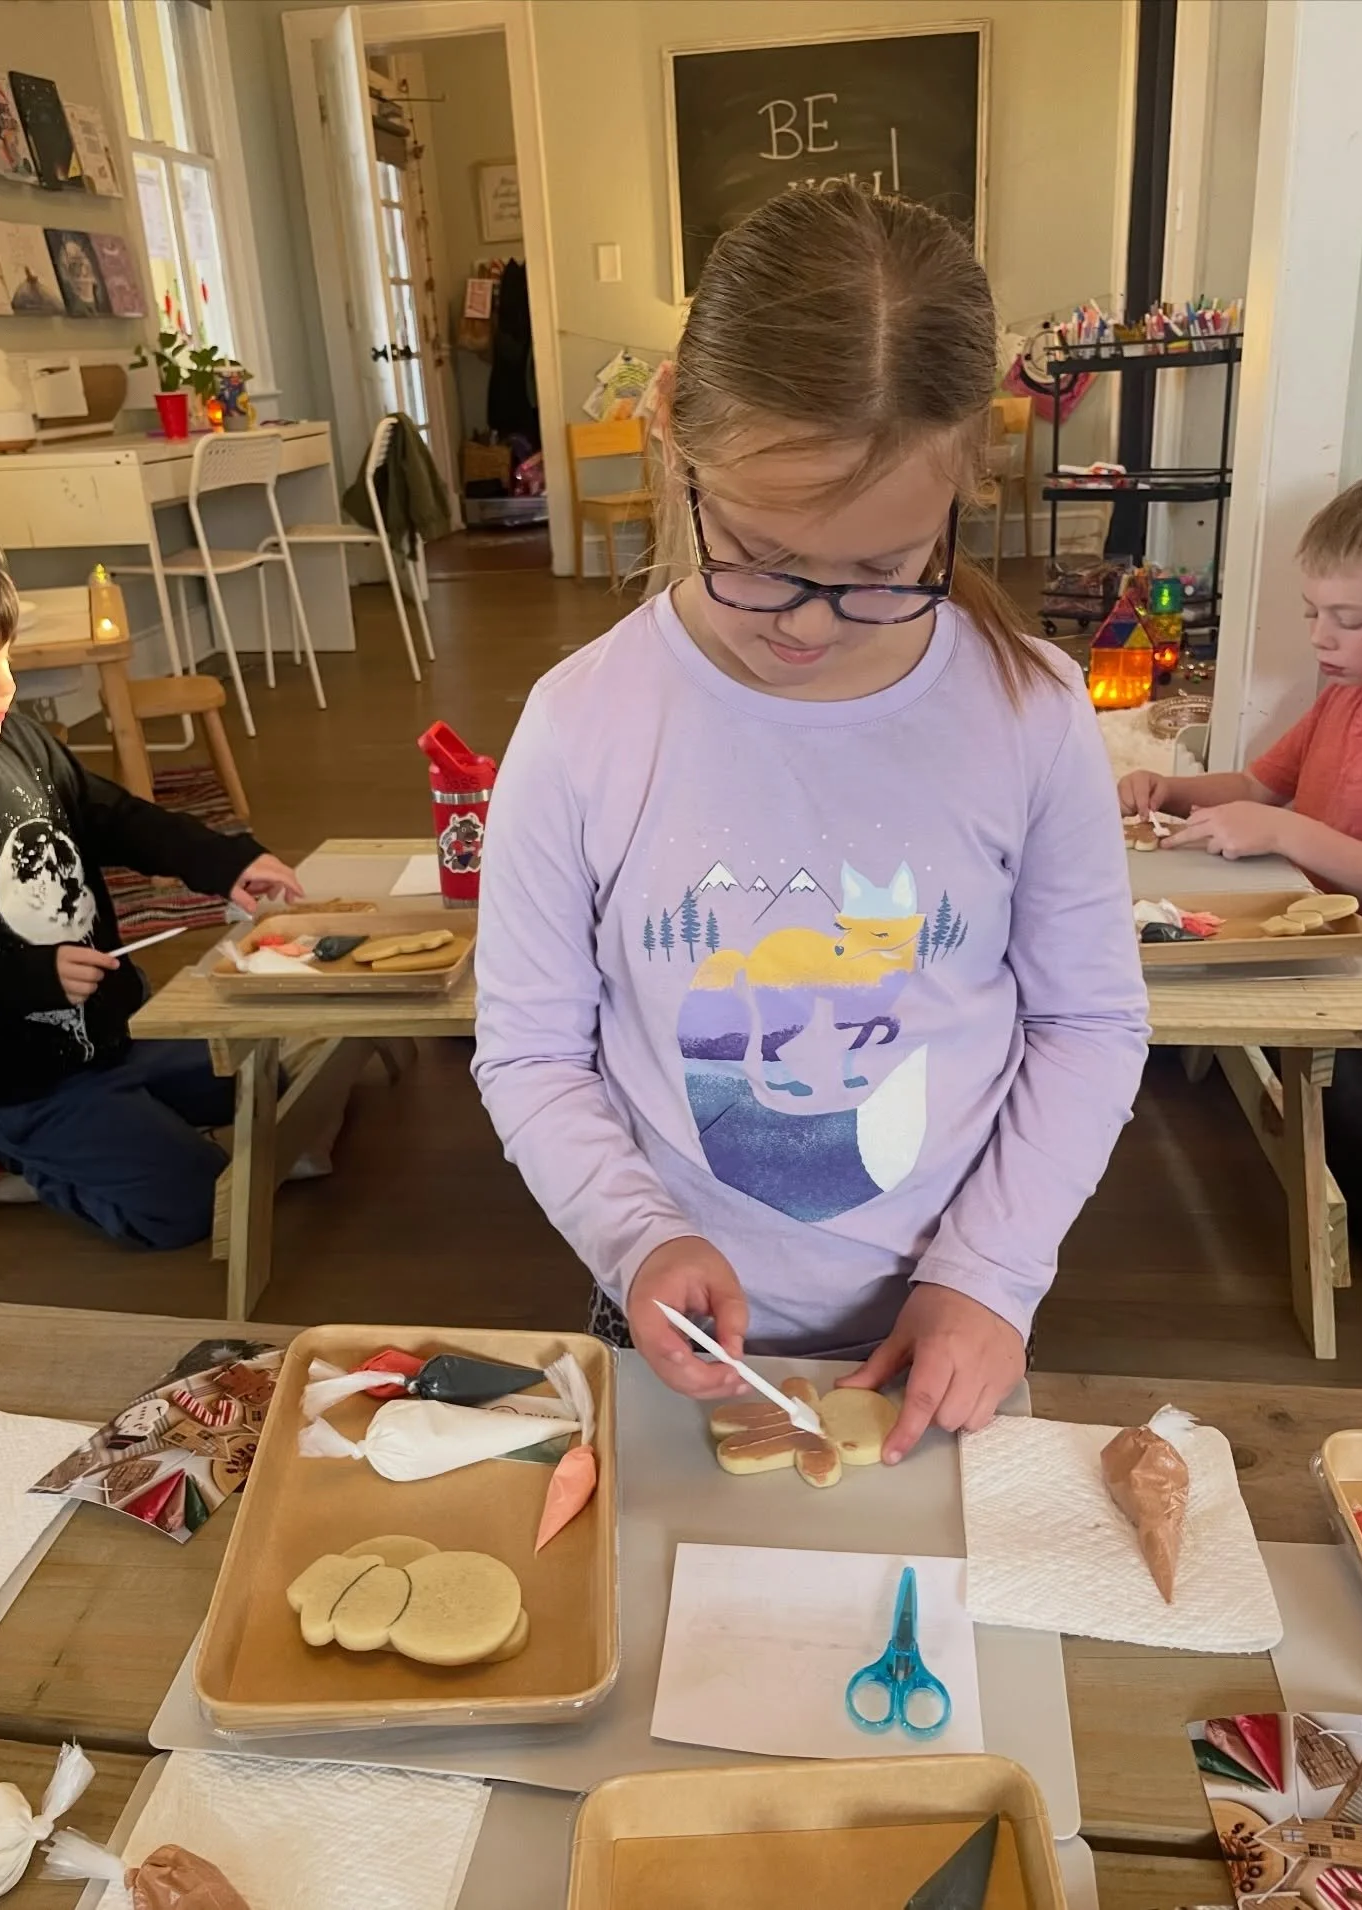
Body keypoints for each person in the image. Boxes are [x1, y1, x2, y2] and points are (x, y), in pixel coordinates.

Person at [473, 184, 1149, 1457]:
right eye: (759, 553)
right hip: (667, 1316)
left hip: (944, 1315)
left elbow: (1088, 1017)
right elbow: (531, 1049)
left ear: (966, 477)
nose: (806, 621)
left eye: (883, 574)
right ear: (671, 424)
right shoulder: (581, 726)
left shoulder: (1029, 713)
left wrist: (991, 1274)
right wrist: (636, 1234)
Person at [0, 532, 303, 1249]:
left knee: (283, 1085)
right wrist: (29, 979)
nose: (5, 685)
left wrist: (222, 861)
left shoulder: (14, 737)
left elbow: (112, 815)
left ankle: (116, 1129)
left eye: (5, 657)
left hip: (120, 1032)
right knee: (200, 1205)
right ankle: (19, 1155)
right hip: (22, 1085)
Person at [1118, 470, 1362, 1267]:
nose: (1320, 637)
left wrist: (1288, 831)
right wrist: (1171, 786)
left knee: (1358, 1130)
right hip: (1304, 945)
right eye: (1314, 614)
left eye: (1350, 619)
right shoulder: (1343, 701)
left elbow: (1284, 817)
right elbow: (1257, 786)